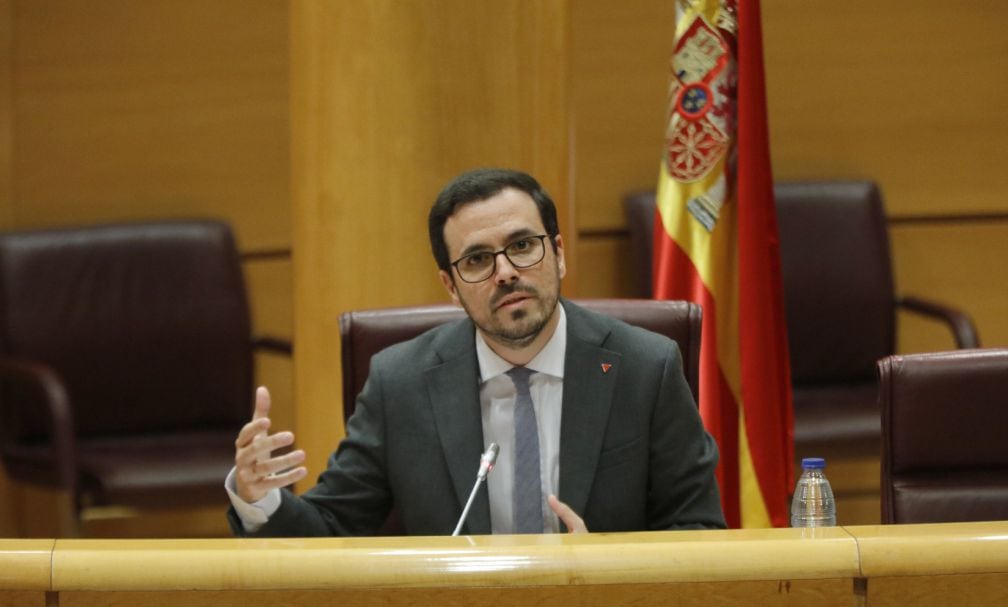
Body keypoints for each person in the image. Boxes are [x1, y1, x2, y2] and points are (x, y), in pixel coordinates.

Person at [226, 168, 725, 535]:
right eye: (478, 259)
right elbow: (333, 526)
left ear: (559, 252)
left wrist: (606, 567)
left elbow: (698, 528)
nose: (506, 272)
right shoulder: (400, 384)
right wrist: (260, 499)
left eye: (523, 246)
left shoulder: (645, 368)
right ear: (450, 284)